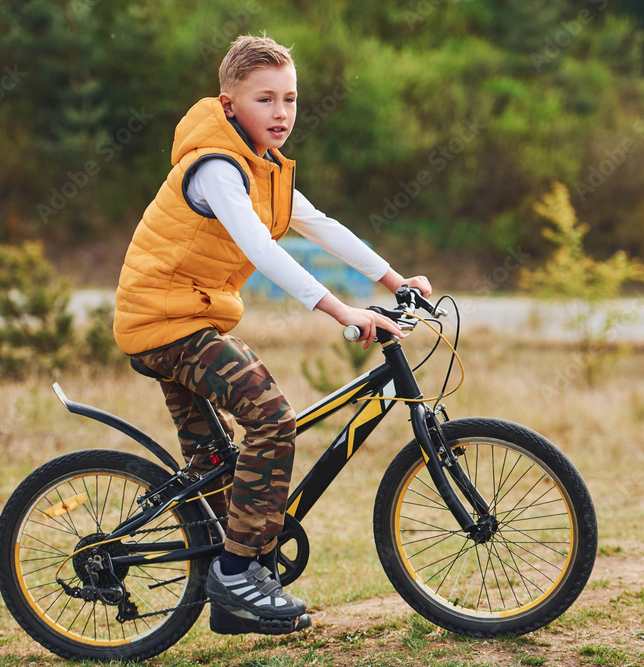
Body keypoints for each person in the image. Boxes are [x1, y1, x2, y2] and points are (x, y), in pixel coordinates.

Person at [112, 34, 431, 636]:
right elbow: (260, 248)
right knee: (271, 417)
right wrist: (341, 311)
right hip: (163, 323)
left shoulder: (265, 168)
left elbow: (321, 226)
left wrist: (394, 280)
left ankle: (232, 600)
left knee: (218, 462)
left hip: (191, 317)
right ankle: (236, 571)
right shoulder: (215, 169)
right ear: (229, 103)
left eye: (290, 99)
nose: (281, 113)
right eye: (266, 99)